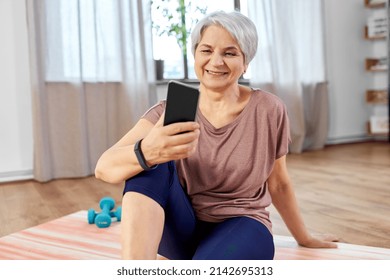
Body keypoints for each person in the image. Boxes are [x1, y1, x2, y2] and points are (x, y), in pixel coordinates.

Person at [95, 11, 338, 260]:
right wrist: (148, 151)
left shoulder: (268, 109)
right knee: (147, 164)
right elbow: (104, 168)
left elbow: (278, 182)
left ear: (246, 62)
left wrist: (304, 238)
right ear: (195, 55)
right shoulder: (168, 112)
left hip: (243, 224)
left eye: (230, 53)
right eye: (206, 50)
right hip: (183, 230)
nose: (216, 61)